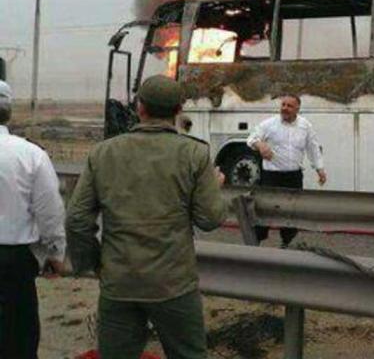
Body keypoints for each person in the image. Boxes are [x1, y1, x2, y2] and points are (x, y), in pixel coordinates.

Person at [66, 75, 226, 359]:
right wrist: (214, 187)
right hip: (174, 284)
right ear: (179, 111)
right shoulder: (195, 153)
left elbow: (77, 219)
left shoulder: (103, 152)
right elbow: (210, 219)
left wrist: (92, 265)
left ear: (139, 107)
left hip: (119, 282)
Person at [0, 80, 66, 359]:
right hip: (13, 262)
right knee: (17, 340)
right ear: (8, 112)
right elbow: (49, 211)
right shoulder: (30, 154)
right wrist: (55, 253)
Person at [246, 94, 327, 247]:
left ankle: (287, 243)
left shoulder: (305, 126)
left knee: (291, 212)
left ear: (297, 108)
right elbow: (251, 139)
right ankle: (255, 242)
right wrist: (260, 145)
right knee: (265, 210)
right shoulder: (269, 124)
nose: (285, 108)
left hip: (293, 176)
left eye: (289, 106)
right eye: (283, 105)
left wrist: (319, 169)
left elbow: (313, 148)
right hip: (271, 176)